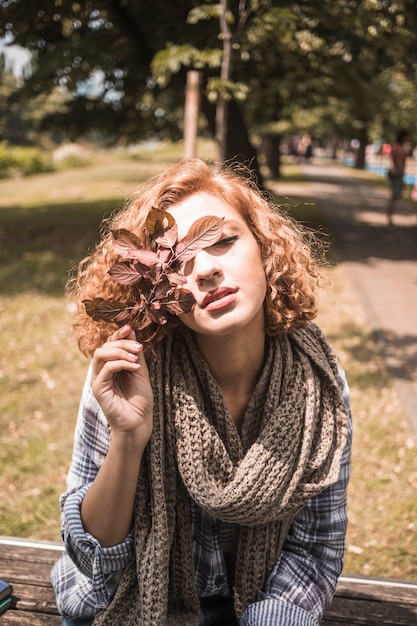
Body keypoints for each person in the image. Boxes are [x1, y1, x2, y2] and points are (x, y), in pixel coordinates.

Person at [51, 158, 352, 626]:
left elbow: (313, 550)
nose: (206, 270)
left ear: (265, 248)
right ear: (153, 290)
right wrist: (129, 440)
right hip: (127, 604)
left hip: (255, 607)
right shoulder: (129, 374)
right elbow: (95, 561)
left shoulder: (317, 383)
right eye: (178, 264)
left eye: (225, 241)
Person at [386, 130, 410, 225]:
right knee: (395, 196)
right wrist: (402, 178)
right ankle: (390, 218)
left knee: (394, 196)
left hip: (394, 173)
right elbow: (400, 164)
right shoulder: (400, 148)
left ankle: (390, 217)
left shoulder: (396, 147)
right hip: (397, 174)